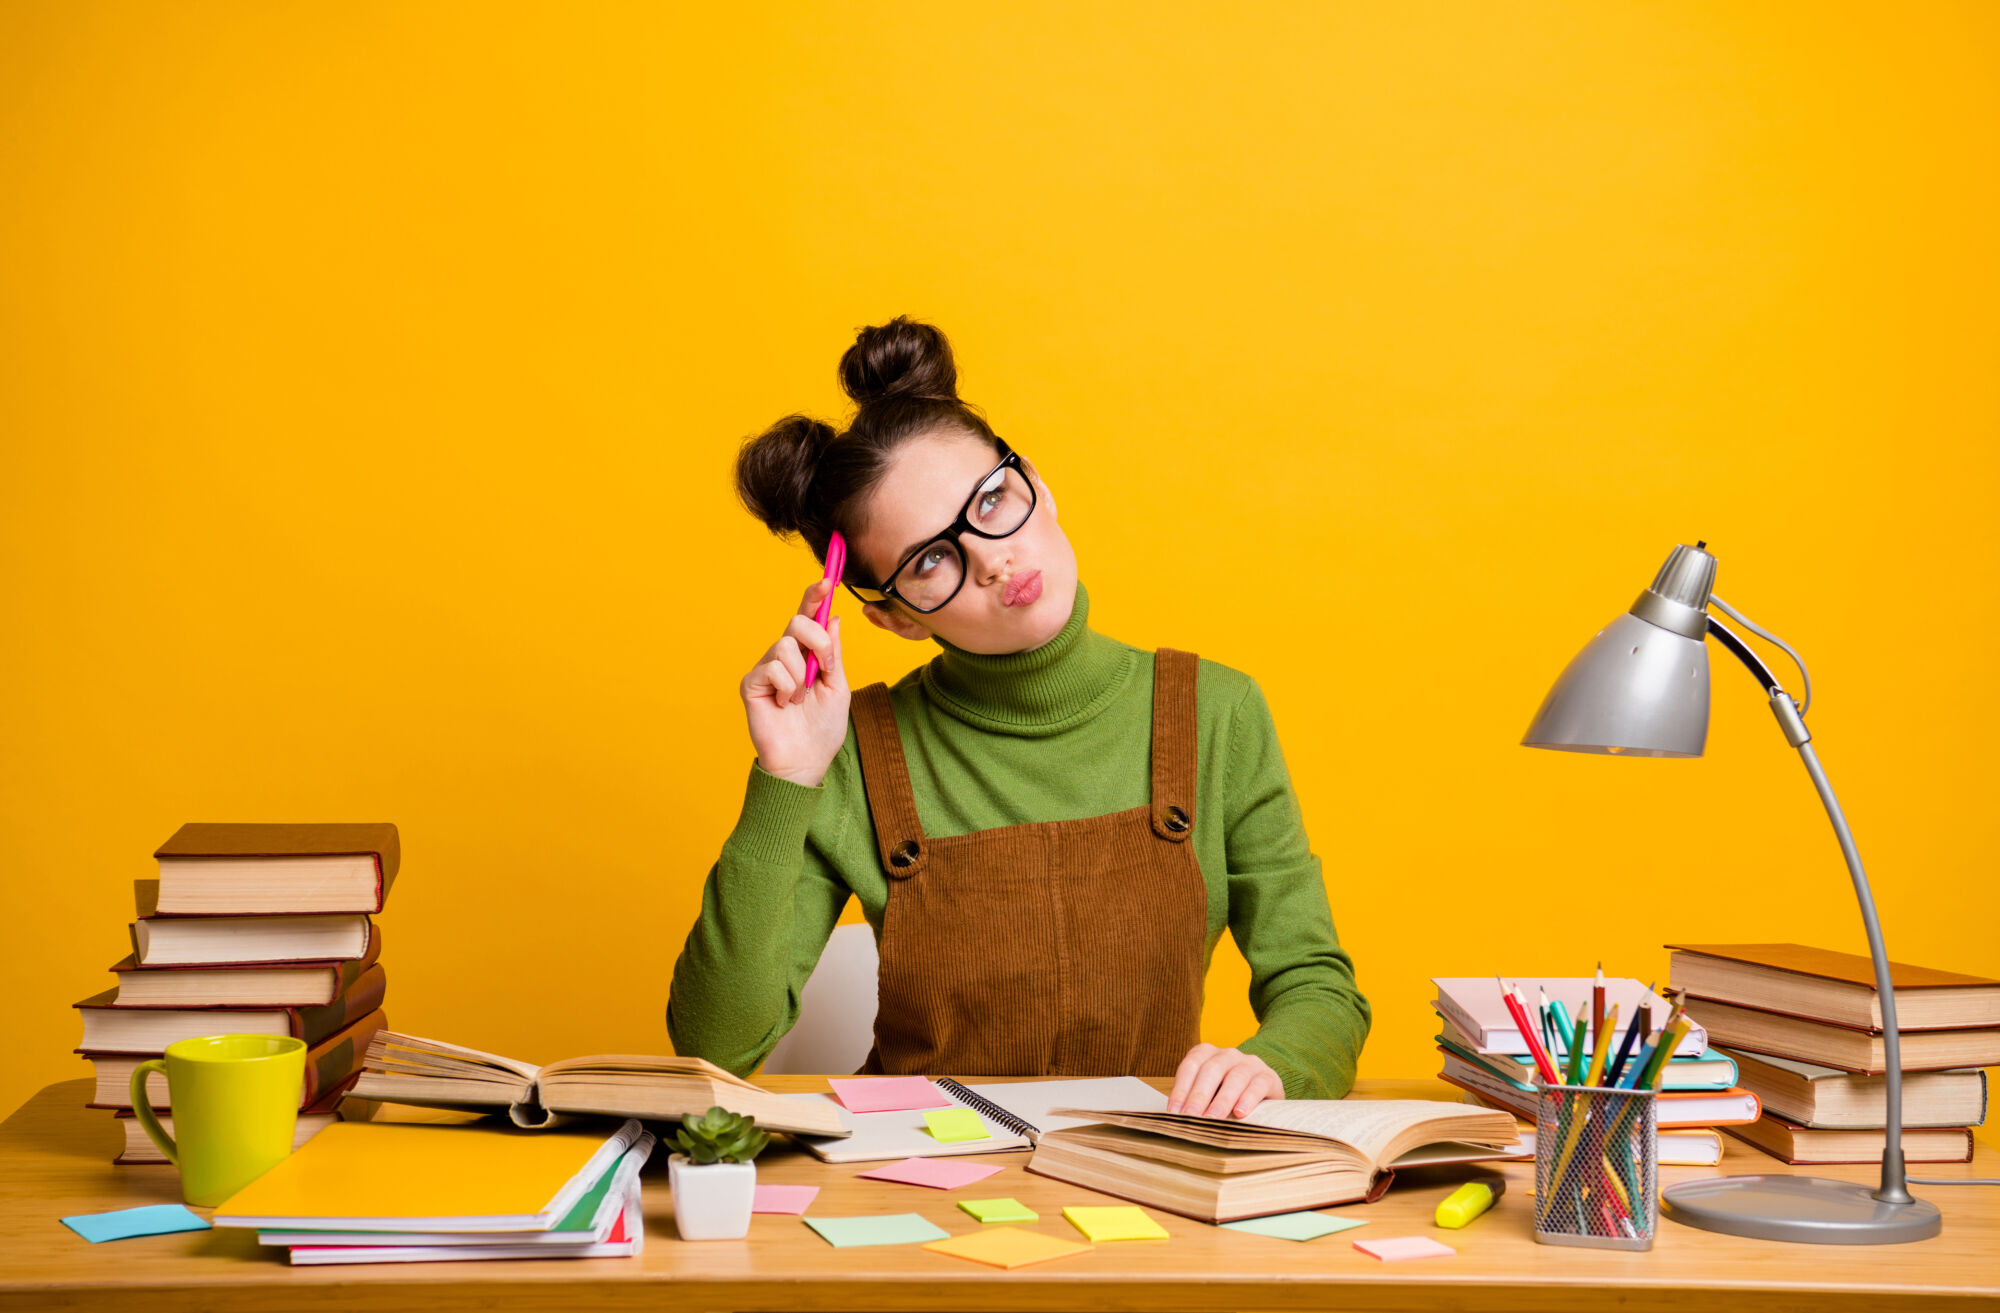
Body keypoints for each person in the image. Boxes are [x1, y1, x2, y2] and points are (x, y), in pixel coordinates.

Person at [667, 315, 1369, 1118]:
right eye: (932, 558)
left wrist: (1272, 1064)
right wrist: (786, 778)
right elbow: (714, 1050)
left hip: (1149, 1179)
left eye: (993, 498)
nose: (994, 558)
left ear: (1036, 479)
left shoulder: (1218, 713)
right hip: (918, 1188)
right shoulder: (854, 751)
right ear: (895, 617)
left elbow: (1321, 989)